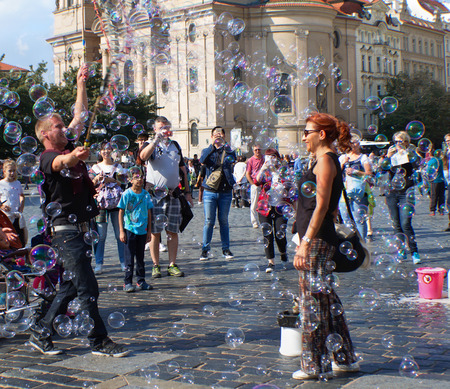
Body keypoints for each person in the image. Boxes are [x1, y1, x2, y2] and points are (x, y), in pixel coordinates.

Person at [29, 64, 128, 357]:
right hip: (65, 231)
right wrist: (72, 157)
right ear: (46, 134)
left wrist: (80, 83)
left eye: (63, 126)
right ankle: (99, 341)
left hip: (83, 228)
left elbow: (81, 116)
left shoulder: (67, 144)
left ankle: (40, 331)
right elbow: (61, 165)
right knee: (88, 288)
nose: (65, 129)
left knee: (71, 286)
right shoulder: (47, 157)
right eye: (58, 127)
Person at [293, 113, 358, 380]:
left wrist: (305, 243)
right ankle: (345, 359)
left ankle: (313, 365)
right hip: (318, 238)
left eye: (307, 131)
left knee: (312, 303)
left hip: (317, 242)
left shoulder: (325, 161)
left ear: (321, 134)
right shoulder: (321, 160)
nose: (303, 136)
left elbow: (321, 206)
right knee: (327, 300)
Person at [139, 116, 192, 278]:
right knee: (155, 232)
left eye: (166, 127)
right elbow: (142, 157)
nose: (164, 130)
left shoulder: (175, 145)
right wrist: (155, 141)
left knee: (172, 231)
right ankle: (156, 265)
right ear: (155, 129)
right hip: (155, 195)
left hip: (173, 193)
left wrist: (188, 192)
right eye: (161, 127)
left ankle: (172, 264)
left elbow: (183, 170)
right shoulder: (150, 144)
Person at [89, 141, 128, 274]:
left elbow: (124, 184)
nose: (106, 151)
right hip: (101, 205)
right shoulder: (94, 168)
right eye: (103, 149)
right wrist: (97, 180)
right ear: (100, 152)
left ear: (113, 152)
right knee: (100, 235)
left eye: (109, 149)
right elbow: (89, 185)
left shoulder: (118, 168)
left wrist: (112, 181)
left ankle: (123, 262)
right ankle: (99, 263)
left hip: (117, 204)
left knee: (119, 234)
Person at [383, 131, 421, 264]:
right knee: (396, 224)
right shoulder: (391, 156)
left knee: (406, 223)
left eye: (400, 141)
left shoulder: (410, 155)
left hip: (406, 192)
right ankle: (401, 250)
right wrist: (387, 157)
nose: (397, 144)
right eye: (396, 142)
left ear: (406, 142)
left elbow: (417, 165)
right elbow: (383, 170)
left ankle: (414, 252)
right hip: (392, 193)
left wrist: (408, 157)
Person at [199, 126, 236, 261]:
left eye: (220, 134)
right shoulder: (207, 150)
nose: (218, 136)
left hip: (225, 191)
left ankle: (225, 249)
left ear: (224, 137)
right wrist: (212, 146)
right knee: (209, 221)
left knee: (224, 221)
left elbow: (233, 158)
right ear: (211, 136)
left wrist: (224, 147)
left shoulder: (229, 151)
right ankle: (205, 250)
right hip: (209, 191)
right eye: (215, 134)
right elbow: (203, 160)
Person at [118, 169, 153, 292]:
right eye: (136, 177)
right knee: (129, 259)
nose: (140, 179)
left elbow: (149, 213)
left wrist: (149, 231)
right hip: (129, 229)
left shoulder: (146, 195)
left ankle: (141, 281)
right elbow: (121, 212)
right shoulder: (127, 194)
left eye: (141, 177)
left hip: (142, 230)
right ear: (130, 180)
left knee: (140, 258)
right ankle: (127, 282)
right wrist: (121, 231)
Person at [255, 149, 288, 273]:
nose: (270, 160)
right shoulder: (265, 172)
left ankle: (283, 252)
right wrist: (263, 168)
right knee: (267, 235)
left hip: (280, 207)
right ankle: (271, 262)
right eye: (268, 157)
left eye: (273, 157)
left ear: (277, 158)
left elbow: (290, 186)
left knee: (280, 233)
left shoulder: (283, 171)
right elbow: (256, 181)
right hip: (265, 208)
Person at [338, 139, 372, 242]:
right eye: (351, 141)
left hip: (358, 192)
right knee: (346, 218)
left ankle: (361, 244)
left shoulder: (363, 158)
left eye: (355, 142)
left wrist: (356, 171)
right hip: (344, 191)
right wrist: (342, 164)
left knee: (359, 219)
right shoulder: (342, 158)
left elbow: (369, 174)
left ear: (359, 144)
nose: (353, 144)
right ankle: (351, 243)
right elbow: (335, 173)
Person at [0, 159, 27, 246]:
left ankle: (19, 253)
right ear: (4, 171)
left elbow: (21, 195)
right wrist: (2, 205)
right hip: (5, 216)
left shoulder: (17, 183)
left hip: (16, 215)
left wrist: (21, 206)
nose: (12, 173)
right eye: (10, 171)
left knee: (19, 236)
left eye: (14, 171)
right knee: (8, 237)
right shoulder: (1, 183)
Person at [246, 144, 264, 228]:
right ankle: (254, 222)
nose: (257, 151)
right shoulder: (251, 160)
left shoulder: (264, 159)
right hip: (255, 184)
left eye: (259, 149)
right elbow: (248, 174)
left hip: (264, 184)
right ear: (253, 151)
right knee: (254, 204)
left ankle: (263, 221)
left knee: (263, 204)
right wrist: (253, 184)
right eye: (256, 150)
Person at [443, 133, 450, 231]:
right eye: (447, 141)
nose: (448, 142)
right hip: (448, 181)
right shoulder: (446, 152)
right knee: (448, 203)